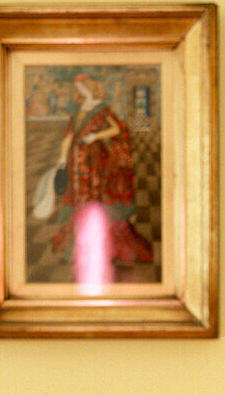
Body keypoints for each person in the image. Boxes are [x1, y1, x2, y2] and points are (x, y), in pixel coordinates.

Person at [41, 73, 154, 276]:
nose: (81, 90)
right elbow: (68, 135)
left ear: (92, 86)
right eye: (79, 88)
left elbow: (118, 130)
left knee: (97, 198)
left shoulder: (103, 108)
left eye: (84, 86)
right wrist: (62, 158)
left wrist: (95, 136)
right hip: (77, 158)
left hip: (96, 159)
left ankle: (105, 244)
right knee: (81, 197)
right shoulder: (77, 111)